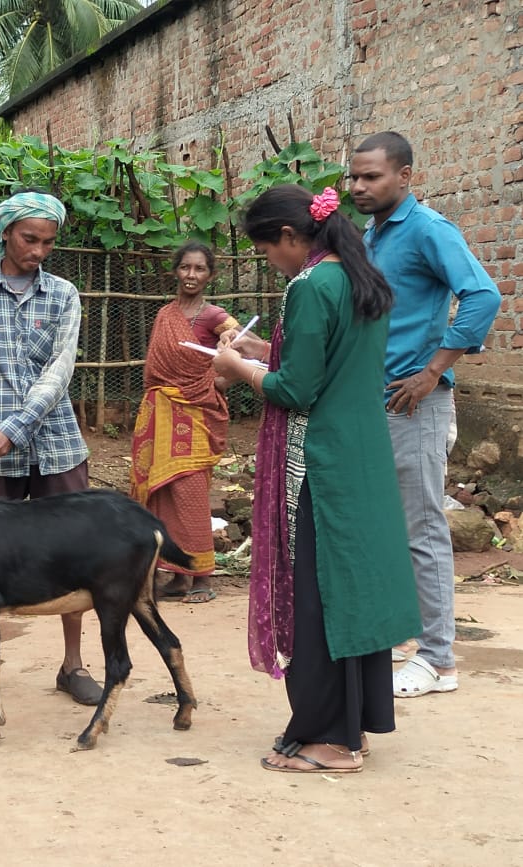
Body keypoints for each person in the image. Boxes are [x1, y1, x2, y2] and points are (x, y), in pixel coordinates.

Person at [214, 185, 420, 772]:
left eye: (266, 251)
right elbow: (328, 362)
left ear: (288, 236)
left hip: (319, 466)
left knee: (318, 595)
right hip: (362, 457)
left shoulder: (308, 286)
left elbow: (296, 389)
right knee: (351, 591)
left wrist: (238, 368)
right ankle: (351, 726)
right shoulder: (359, 278)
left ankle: (330, 741)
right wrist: (264, 350)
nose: (270, 263)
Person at [349, 132, 500, 698]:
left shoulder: (429, 230)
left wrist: (433, 370)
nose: (359, 186)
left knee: (423, 530)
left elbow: (483, 295)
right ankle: (406, 637)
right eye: (354, 177)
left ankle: (439, 660)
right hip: (375, 401)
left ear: (405, 176)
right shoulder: (372, 234)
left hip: (416, 402)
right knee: (388, 527)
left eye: (372, 177)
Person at [0, 190, 103, 707]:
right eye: (29, 238)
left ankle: (73, 664)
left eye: (47, 242)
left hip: (55, 444)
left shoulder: (64, 295)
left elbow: (58, 374)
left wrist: (18, 426)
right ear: (4, 233)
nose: (38, 250)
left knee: (75, 553)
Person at [130, 241, 238, 604]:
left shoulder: (213, 316)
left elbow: (238, 339)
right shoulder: (165, 315)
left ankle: (202, 577)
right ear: (176, 270)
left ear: (210, 275)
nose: (191, 275)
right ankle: (176, 574)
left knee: (189, 496)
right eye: (186, 268)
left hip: (195, 417)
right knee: (161, 498)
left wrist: (226, 349)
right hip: (160, 415)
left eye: (200, 269)